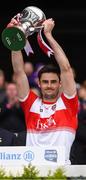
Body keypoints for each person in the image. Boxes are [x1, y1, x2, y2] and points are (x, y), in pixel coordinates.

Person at [10, 18, 78, 164]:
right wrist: (16, 38)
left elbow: (65, 69)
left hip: (61, 172)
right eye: (45, 82)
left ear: (60, 84)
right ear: (39, 84)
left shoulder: (69, 104)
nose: (49, 85)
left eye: (53, 82)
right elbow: (19, 72)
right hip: (32, 171)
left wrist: (48, 35)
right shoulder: (30, 104)